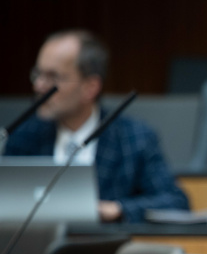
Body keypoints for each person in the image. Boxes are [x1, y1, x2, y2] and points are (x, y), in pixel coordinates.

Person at [4, 29, 189, 222]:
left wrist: (117, 209)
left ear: (90, 87)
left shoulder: (134, 138)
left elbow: (175, 203)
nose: (39, 86)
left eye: (53, 77)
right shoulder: (23, 137)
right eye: (38, 74)